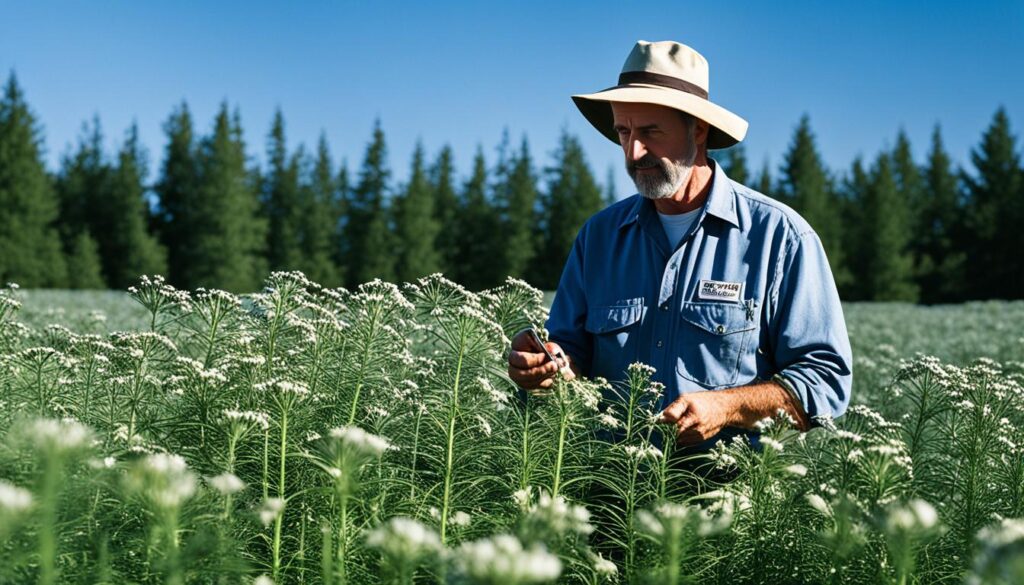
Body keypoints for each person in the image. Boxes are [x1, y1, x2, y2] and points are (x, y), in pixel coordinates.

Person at [507, 40, 853, 452]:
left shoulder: (779, 238)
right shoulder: (598, 238)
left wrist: (726, 408)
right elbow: (571, 354)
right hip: (610, 497)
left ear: (699, 129)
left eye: (651, 131)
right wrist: (547, 367)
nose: (634, 151)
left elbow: (826, 381)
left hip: (728, 502)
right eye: (624, 131)